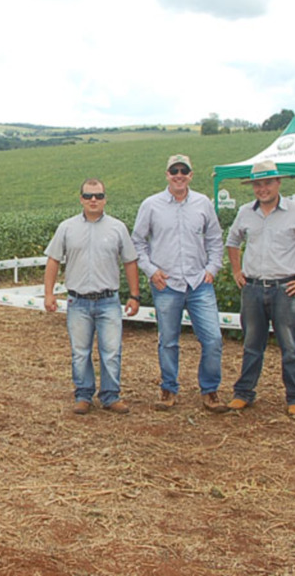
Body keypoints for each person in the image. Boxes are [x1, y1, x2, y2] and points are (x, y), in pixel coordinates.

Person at [225, 159, 295, 417]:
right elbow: (232, 240)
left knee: (290, 347)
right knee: (252, 344)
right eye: (257, 184)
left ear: (278, 183)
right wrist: (237, 271)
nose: (263, 189)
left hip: (286, 289)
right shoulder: (245, 212)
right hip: (252, 288)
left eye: (267, 183)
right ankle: (244, 393)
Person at [131, 154, 229, 413]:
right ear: (166, 174)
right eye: (174, 170)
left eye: (183, 170)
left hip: (199, 282)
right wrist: (151, 271)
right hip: (166, 284)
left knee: (213, 339)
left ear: (191, 175)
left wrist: (212, 268)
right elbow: (137, 242)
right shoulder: (151, 205)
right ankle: (168, 389)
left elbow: (215, 239)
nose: (179, 175)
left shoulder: (203, 204)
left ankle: (210, 391)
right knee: (168, 341)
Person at [44, 178, 141, 415]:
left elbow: (130, 262)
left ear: (105, 198)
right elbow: (53, 260)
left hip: (109, 301)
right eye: (88, 196)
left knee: (111, 351)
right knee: (80, 352)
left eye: (98, 196)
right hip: (78, 301)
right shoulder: (66, 228)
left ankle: (110, 396)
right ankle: (83, 395)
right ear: (81, 199)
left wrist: (135, 295)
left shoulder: (118, 228)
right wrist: (49, 294)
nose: (93, 200)